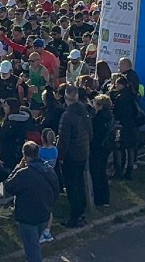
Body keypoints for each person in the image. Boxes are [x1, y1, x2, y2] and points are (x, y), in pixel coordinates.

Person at [5, 141, 60, 262]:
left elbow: (9, 186)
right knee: (35, 244)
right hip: (44, 213)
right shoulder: (48, 169)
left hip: (27, 216)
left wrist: (17, 168)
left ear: (25, 155)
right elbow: (56, 190)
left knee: (32, 247)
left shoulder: (23, 173)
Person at [57, 86, 92, 228]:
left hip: (71, 154)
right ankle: (81, 212)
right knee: (79, 182)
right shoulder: (84, 110)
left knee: (71, 186)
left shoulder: (67, 116)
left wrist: (60, 156)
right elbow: (90, 132)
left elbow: (64, 139)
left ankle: (75, 216)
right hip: (83, 151)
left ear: (66, 98)